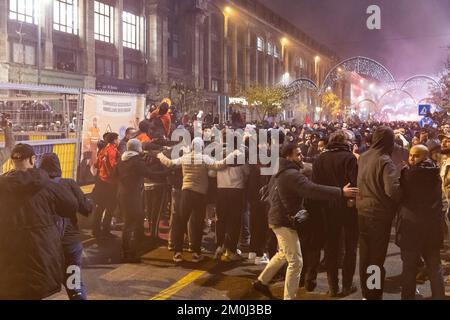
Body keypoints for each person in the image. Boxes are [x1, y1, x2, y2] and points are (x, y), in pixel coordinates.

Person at [252, 143, 359, 300]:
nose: (301, 157)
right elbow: (312, 190)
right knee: (296, 262)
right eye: (298, 154)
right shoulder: (291, 175)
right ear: (288, 156)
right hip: (284, 222)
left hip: (278, 219)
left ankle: (261, 282)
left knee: (283, 253)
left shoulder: (280, 171)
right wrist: (340, 192)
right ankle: (289, 297)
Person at [0, 144, 78, 300]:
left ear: (12, 161)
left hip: (8, 254)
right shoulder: (48, 185)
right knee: (34, 291)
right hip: (41, 253)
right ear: (33, 159)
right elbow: (71, 205)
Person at [157, 137, 238, 263]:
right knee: (197, 224)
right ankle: (196, 252)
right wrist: (232, 155)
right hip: (199, 195)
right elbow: (218, 165)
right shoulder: (204, 158)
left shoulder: (185, 157)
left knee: (181, 222)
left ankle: (177, 253)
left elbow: (171, 163)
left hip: (186, 192)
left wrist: (160, 155)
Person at [311, 130, 359, 297]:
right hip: (348, 208)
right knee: (350, 247)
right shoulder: (350, 158)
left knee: (331, 247)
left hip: (326, 209)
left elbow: (315, 186)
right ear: (345, 141)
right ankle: (346, 284)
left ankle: (333, 286)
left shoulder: (320, 159)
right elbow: (355, 184)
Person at [40, 153, 93, 300]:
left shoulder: (38, 186)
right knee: (74, 283)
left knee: (38, 286)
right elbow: (86, 208)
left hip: (46, 245)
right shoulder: (69, 183)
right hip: (70, 243)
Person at [356, 126, 402, 300]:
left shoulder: (364, 157)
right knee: (376, 258)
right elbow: (392, 190)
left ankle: (366, 294)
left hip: (362, 211)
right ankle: (374, 294)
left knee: (365, 255)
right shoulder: (385, 160)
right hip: (379, 215)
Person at [397, 145, 445, 300]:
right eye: (410, 155)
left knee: (409, 268)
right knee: (434, 267)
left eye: (416, 156)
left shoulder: (407, 174)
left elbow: (399, 195)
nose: (411, 159)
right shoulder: (435, 172)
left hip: (411, 227)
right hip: (432, 227)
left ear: (425, 156)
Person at [115, 139, 168, 262]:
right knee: (129, 223)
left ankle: (137, 244)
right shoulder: (136, 161)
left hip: (123, 193)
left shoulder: (122, 159)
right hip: (132, 195)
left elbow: (115, 173)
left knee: (138, 218)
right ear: (136, 147)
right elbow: (149, 174)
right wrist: (166, 172)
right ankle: (127, 252)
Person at [91, 132, 119, 239]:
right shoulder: (112, 151)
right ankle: (106, 230)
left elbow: (96, 164)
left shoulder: (103, 150)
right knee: (110, 208)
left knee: (100, 208)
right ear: (114, 140)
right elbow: (113, 167)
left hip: (101, 182)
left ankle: (96, 230)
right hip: (110, 184)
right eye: (117, 139)